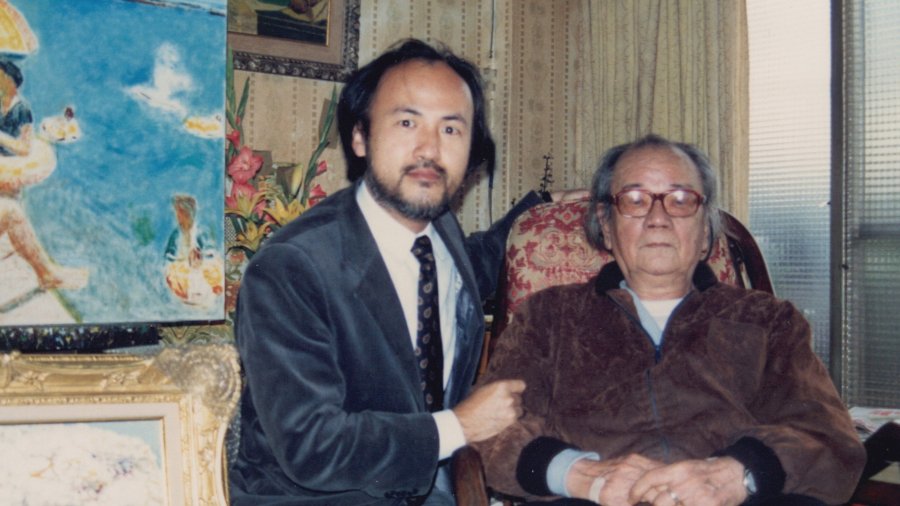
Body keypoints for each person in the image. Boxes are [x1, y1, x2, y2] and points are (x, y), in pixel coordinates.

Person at [230, 38, 571, 505]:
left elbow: (472, 265)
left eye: (451, 128)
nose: (430, 149)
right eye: (407, 122)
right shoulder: (291, 269)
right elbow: (311, 446)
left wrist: (539, 209)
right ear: (360, 137)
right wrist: (459, 426)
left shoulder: (439, 231)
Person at [474, 134, 866, 506]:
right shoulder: (547, 316)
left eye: (680, 200)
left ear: (705, 229)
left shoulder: (769, 320)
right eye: (635, 199)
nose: (658, 218)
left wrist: (736, 475)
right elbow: (488, 428)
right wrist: (583, 475)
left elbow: (830, 439)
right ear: (606, 226)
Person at [0, 58, 87, 291]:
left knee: (10, 199)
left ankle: (42, 269)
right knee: (12, 212)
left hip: (12, 158)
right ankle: (47, 275)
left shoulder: (20, 108)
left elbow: (24, 146)